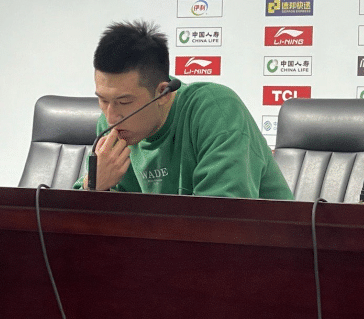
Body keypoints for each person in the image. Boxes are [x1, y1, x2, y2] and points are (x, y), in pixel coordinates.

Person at [74, 21, 294, 200]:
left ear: (163, 94)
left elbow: (222, 218)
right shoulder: (110, 126)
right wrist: (93, 187)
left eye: (124, 102)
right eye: (103, 100)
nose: (111, 117)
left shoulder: (215, 111)